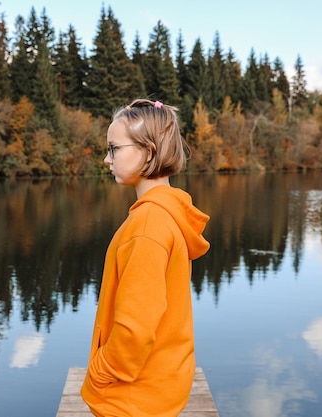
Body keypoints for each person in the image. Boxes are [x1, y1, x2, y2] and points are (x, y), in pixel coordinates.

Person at [80, 98, 210, 417]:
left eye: (114, 149)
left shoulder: (149, 224)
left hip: (132, 400)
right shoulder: (166, 215)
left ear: (148, 152)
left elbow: (134, 328)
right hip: (159, 389)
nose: (107, 159)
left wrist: (99, 374)